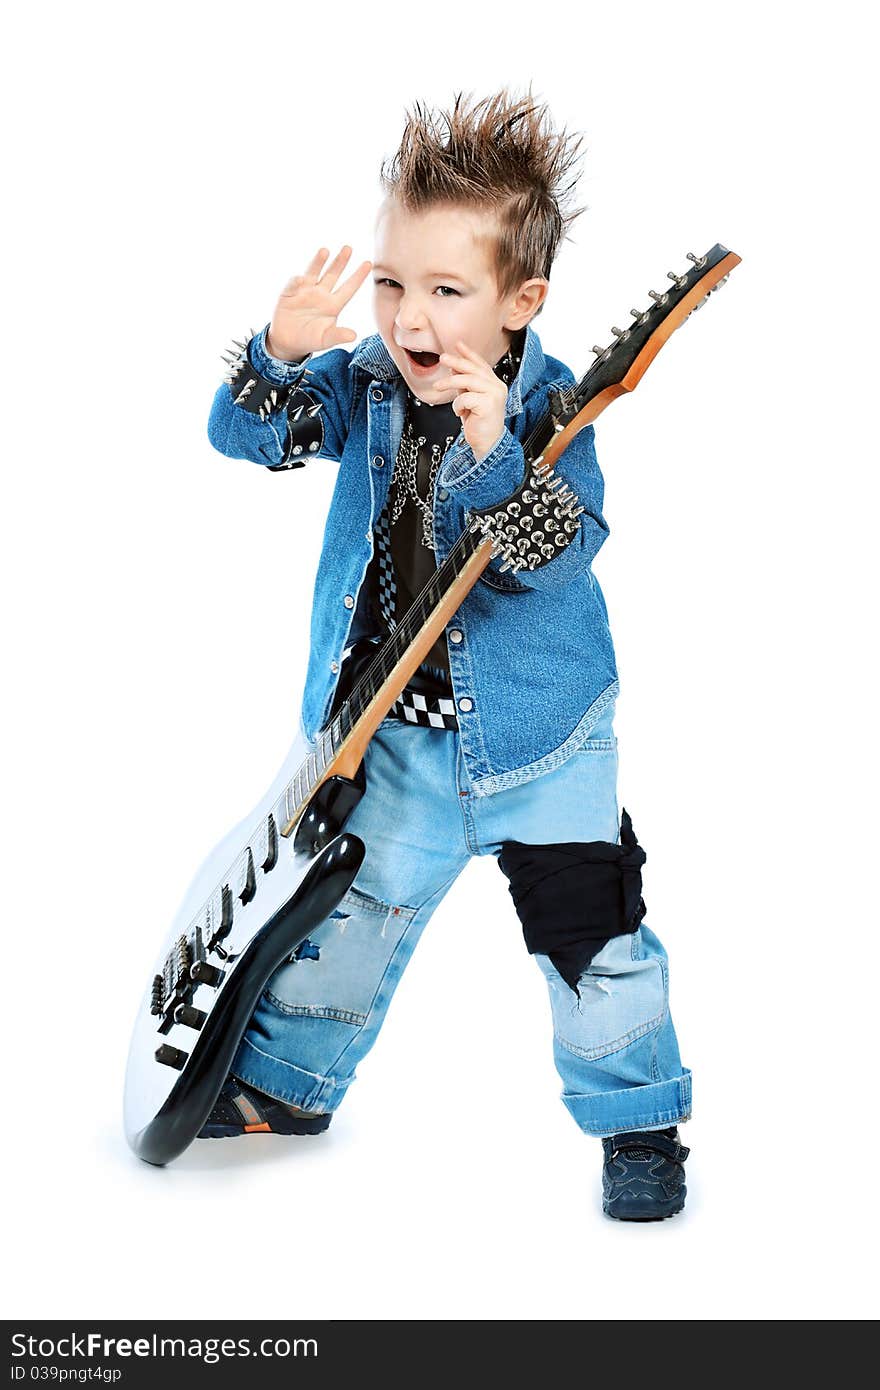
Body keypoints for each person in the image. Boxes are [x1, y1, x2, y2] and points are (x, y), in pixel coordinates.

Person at [203, 89, 691, 1220]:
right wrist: (278, 352)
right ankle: (283, 1087)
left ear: (522, 302)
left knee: (593, 944)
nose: (406, 315)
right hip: (397, 746)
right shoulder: (364, 383)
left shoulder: (557, 410)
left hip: (543, 743)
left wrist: (487, 449)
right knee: (342, 922)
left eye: (443, 290)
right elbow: (244, 437)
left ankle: (638, 1124)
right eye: (390, 283)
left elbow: (544, 560)